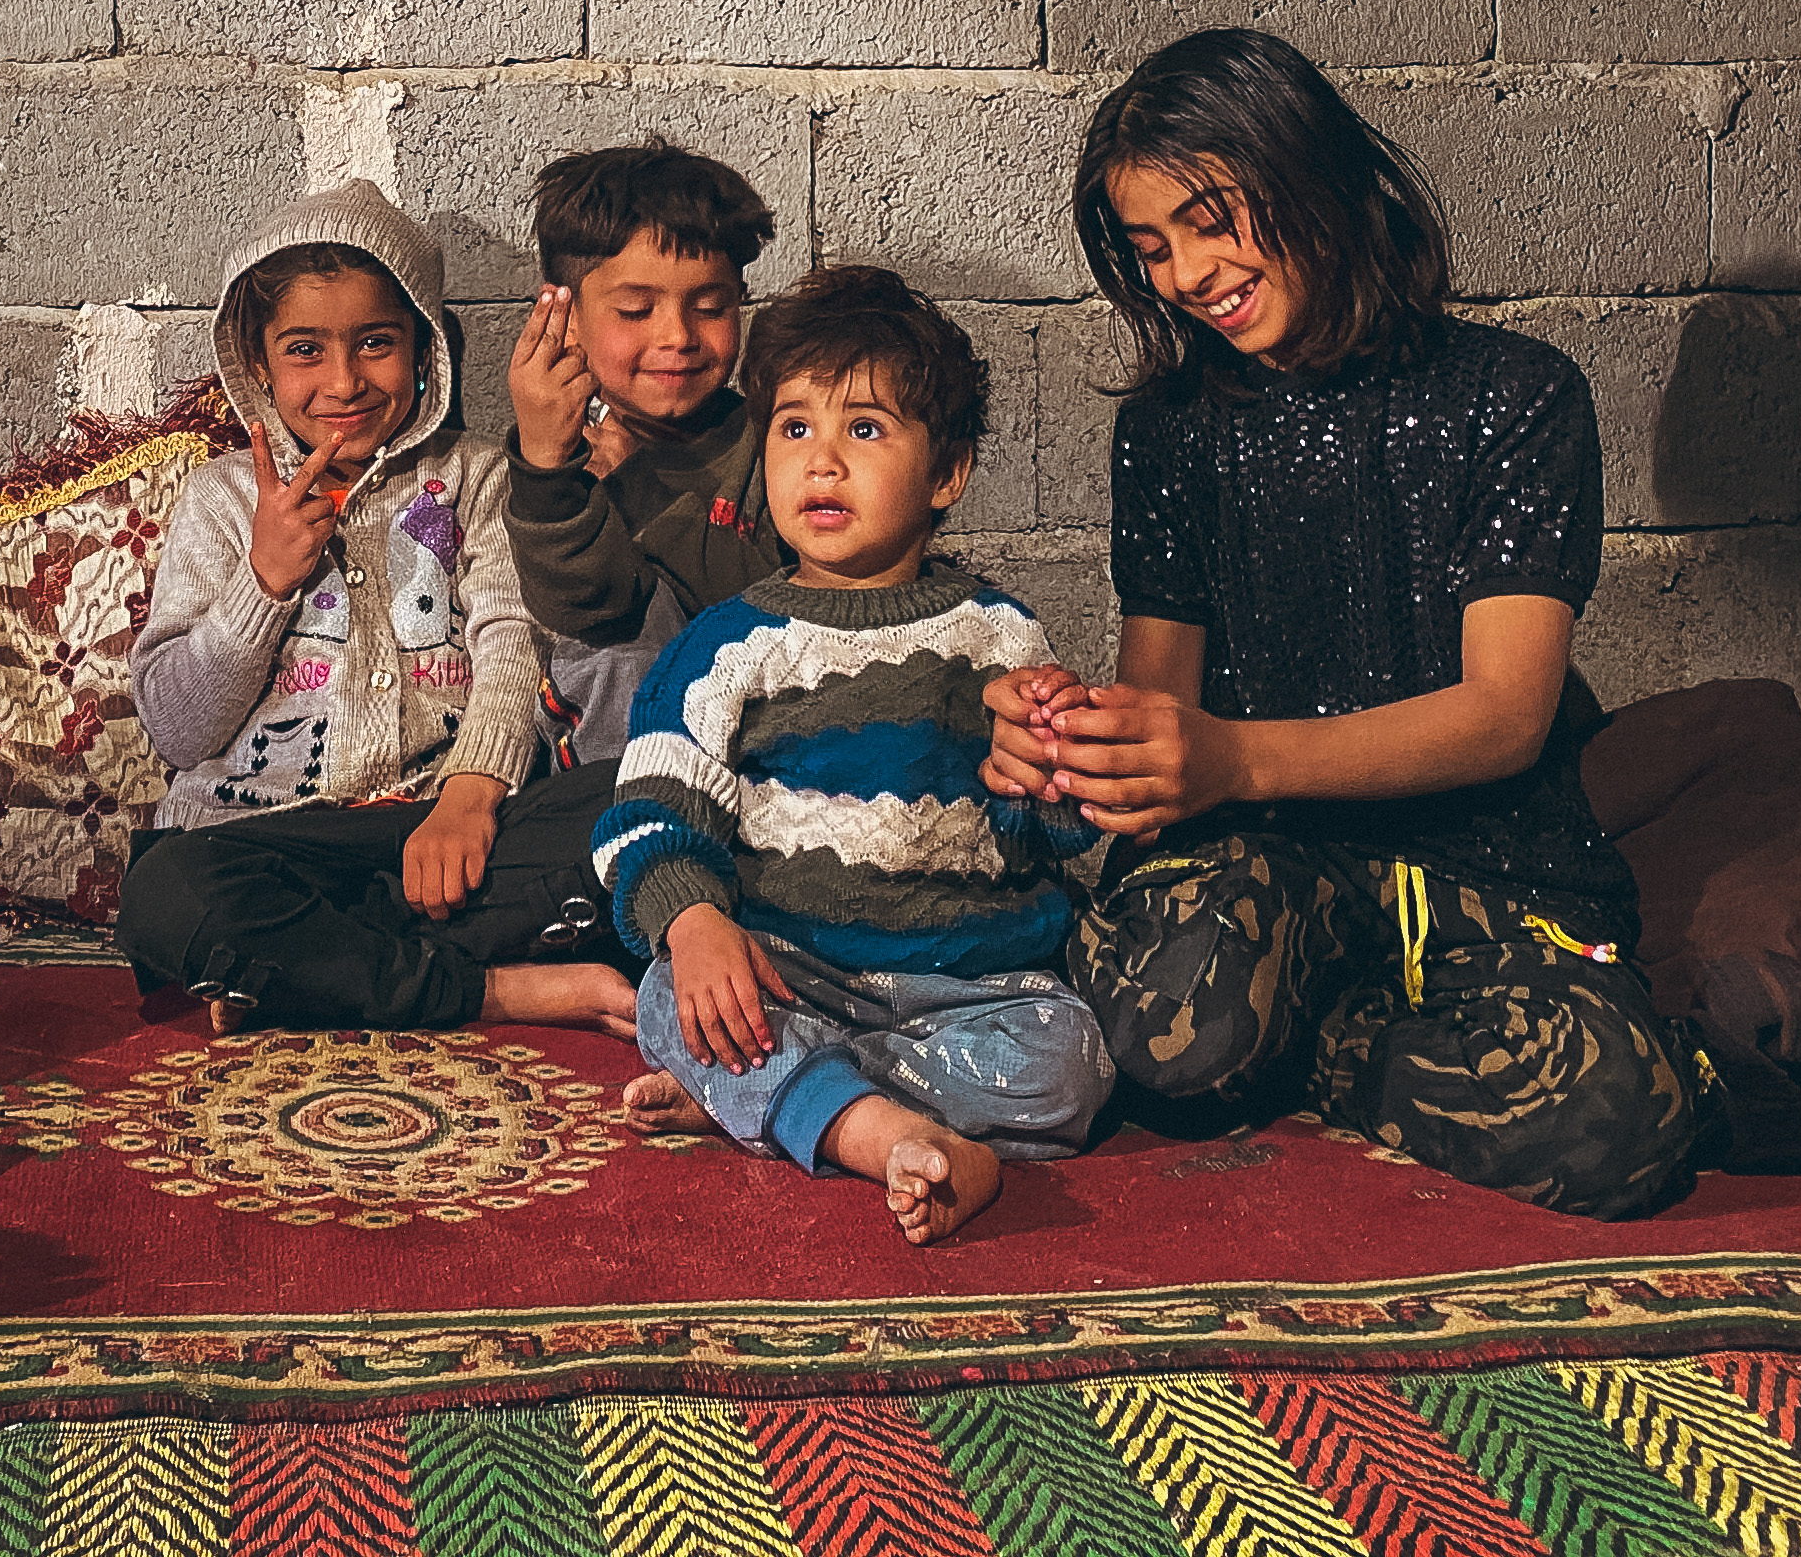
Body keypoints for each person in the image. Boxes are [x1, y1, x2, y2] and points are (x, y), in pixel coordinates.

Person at [988, 29, 1704, 1219]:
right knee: (1159, 1028)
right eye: (1153, 248)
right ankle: (1304, 1025)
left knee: (1617, 1129)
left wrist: (1235, 756)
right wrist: (1075, 749)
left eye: (1212, 219)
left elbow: (1505, 718)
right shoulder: (1170, 431)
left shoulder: (1517, 396)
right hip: (1262, 860)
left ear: (1309, 171)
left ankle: (1336, 1040)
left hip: (1489, 870)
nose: (1183, 274)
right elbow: (1161, 715)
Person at [595, 267, 1108, 1246]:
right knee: (673, 997)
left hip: (974, 989)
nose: (820, 462)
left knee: (1072, 1060)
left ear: (946, 472)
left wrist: (1045, 769)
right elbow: (654, 807)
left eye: (864, 430)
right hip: (799, 971)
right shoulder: (728, 645)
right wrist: (696, 920)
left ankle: (804, 1107)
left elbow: (1051, 828)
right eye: (794, 429)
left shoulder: (997, 635)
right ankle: (866, 1124)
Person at [116, 180, 640, 1033]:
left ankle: (300, 974)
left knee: (644, 799)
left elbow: (512, 642)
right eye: (303, 350)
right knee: (164, 894)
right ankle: (495, 989)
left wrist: (468, 801)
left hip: (454, 830)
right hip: (272, 845)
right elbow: (177, 730)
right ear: (256, 365)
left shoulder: (479, 476)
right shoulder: (220, 499)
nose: (344, 381)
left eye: (375, 344)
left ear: (424, 349)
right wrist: (265, 584)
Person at [503, 142, 788, 759]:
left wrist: (641, 487)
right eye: (636, 310)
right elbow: (587, 604)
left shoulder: (774, 441)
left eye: (710, 307)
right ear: (566, 315)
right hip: (619, 765)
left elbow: (782, 608)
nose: (678, 336)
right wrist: (546, 463)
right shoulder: (559, 457)